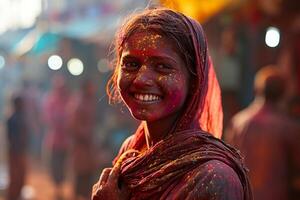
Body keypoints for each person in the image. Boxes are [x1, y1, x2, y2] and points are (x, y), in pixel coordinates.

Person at [92, 8, 252, 200]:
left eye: (162, 66)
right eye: (131, 64)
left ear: (194, 80)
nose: (141, 79)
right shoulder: (132, 150)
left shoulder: (213, 177)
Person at [225, 65, 300, 199]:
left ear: (257, 89)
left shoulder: (238, 122)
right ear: (283, 92)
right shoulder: (289, 127)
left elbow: (228, 165)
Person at [68, 80, 98, 200]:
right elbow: (74, 125)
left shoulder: (89, 102)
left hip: (88, 144)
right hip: (81, 144)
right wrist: (83, 136)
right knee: (80, 172)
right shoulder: (78, 103)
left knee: (88, 172)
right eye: (91, 88)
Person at [43, 75, 70, 200]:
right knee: (55, 166)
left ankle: (60, 188)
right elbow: (47, 119)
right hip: (54, 140)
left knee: (63, 166)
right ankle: (57, 189)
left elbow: (71, 120)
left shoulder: (69, 101)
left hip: (65, 141)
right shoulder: (51, 100)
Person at [6, 95, 29, 200]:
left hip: (20, 151)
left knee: (20, 176)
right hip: (15, 152)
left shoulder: (20, 117)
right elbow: (11, 137)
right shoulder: (13, 118)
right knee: (15, 177)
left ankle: (17, 195)